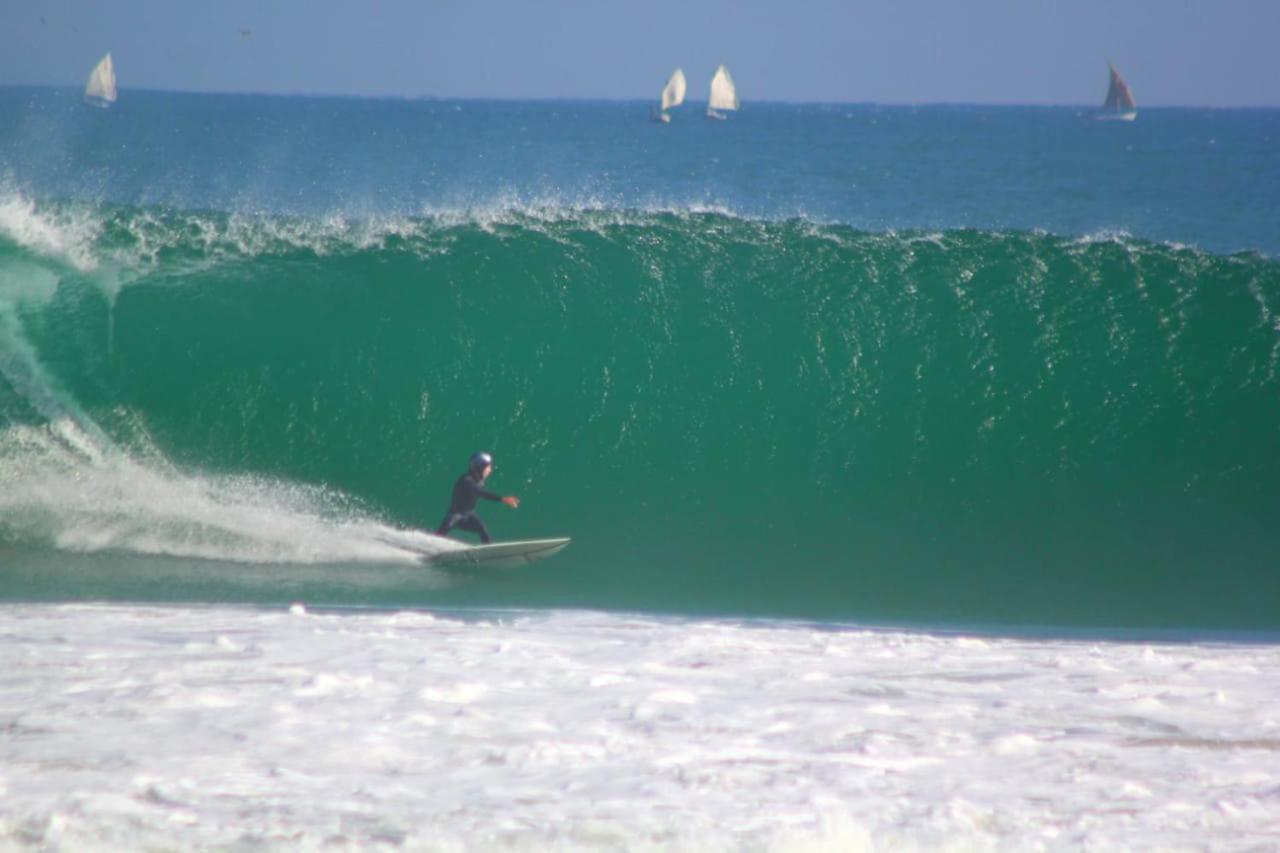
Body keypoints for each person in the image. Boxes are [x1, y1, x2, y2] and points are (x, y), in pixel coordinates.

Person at [435, 452, 519, 543]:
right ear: (480, 468)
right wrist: (503, 499)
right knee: (440, 534)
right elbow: (481, 493)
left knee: (483, 530)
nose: (490, 470)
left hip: (470, 515)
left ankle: (488, 553)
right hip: (455, 515)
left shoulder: (478, 480)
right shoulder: (467, 481)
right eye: (488, 467)